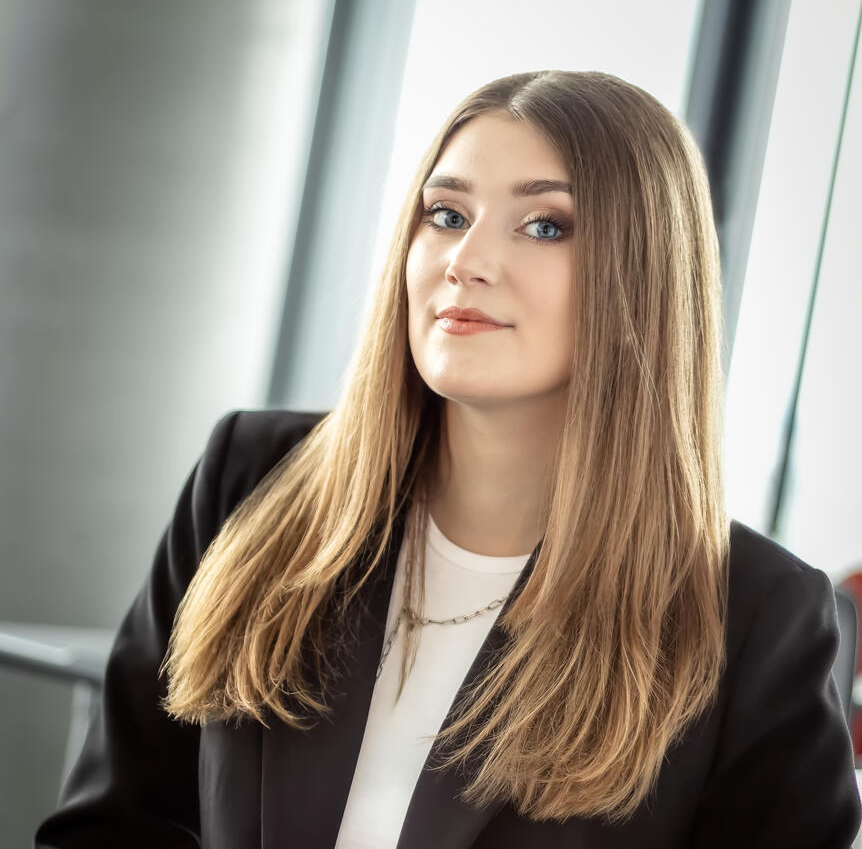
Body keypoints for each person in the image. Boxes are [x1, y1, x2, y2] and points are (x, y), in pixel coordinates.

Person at [35, 70, 860, 848]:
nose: (467, 261)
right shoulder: (251, 480)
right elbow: (116, 826)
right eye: (447, 214)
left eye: (545, 226)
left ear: (643, 278)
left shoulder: (758, 617)